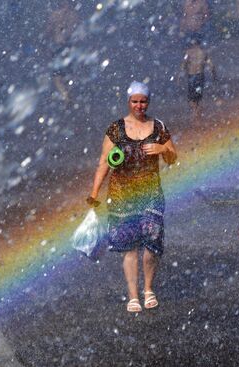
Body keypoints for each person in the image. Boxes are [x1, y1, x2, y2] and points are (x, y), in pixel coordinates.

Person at [87, 82, 177, 313]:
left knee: (152, 244)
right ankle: (133, 295)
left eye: (143, 101)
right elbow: (104, 163)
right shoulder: (116, 129)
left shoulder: (158, 127)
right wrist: (94, 194)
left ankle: (148, 288)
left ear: (148, 102)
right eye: (135, 101)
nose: (139, 105)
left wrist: (162, 150)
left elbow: (172, 158)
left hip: (150, 194)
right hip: (122, 195)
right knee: (129, 247)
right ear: (128, 102)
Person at [45, 1, 78, 103]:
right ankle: (68, 96)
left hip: (61, 46)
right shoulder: (72, 15)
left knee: (58, 75)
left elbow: (48, 32)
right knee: (62, 74)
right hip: (64, 47)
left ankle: (67, 96)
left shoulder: (55, 15)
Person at [180, 37, 217, 122]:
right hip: (200, 76)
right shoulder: (203, 53)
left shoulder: (188, 52)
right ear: (199, 44)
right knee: (198, 95)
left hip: (191, 76)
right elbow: (211, 65)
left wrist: (180, 76)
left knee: (191, 96)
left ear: (193, 44)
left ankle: (195, 112)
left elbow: (183, 64)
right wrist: (214, 75)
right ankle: (197, 113)